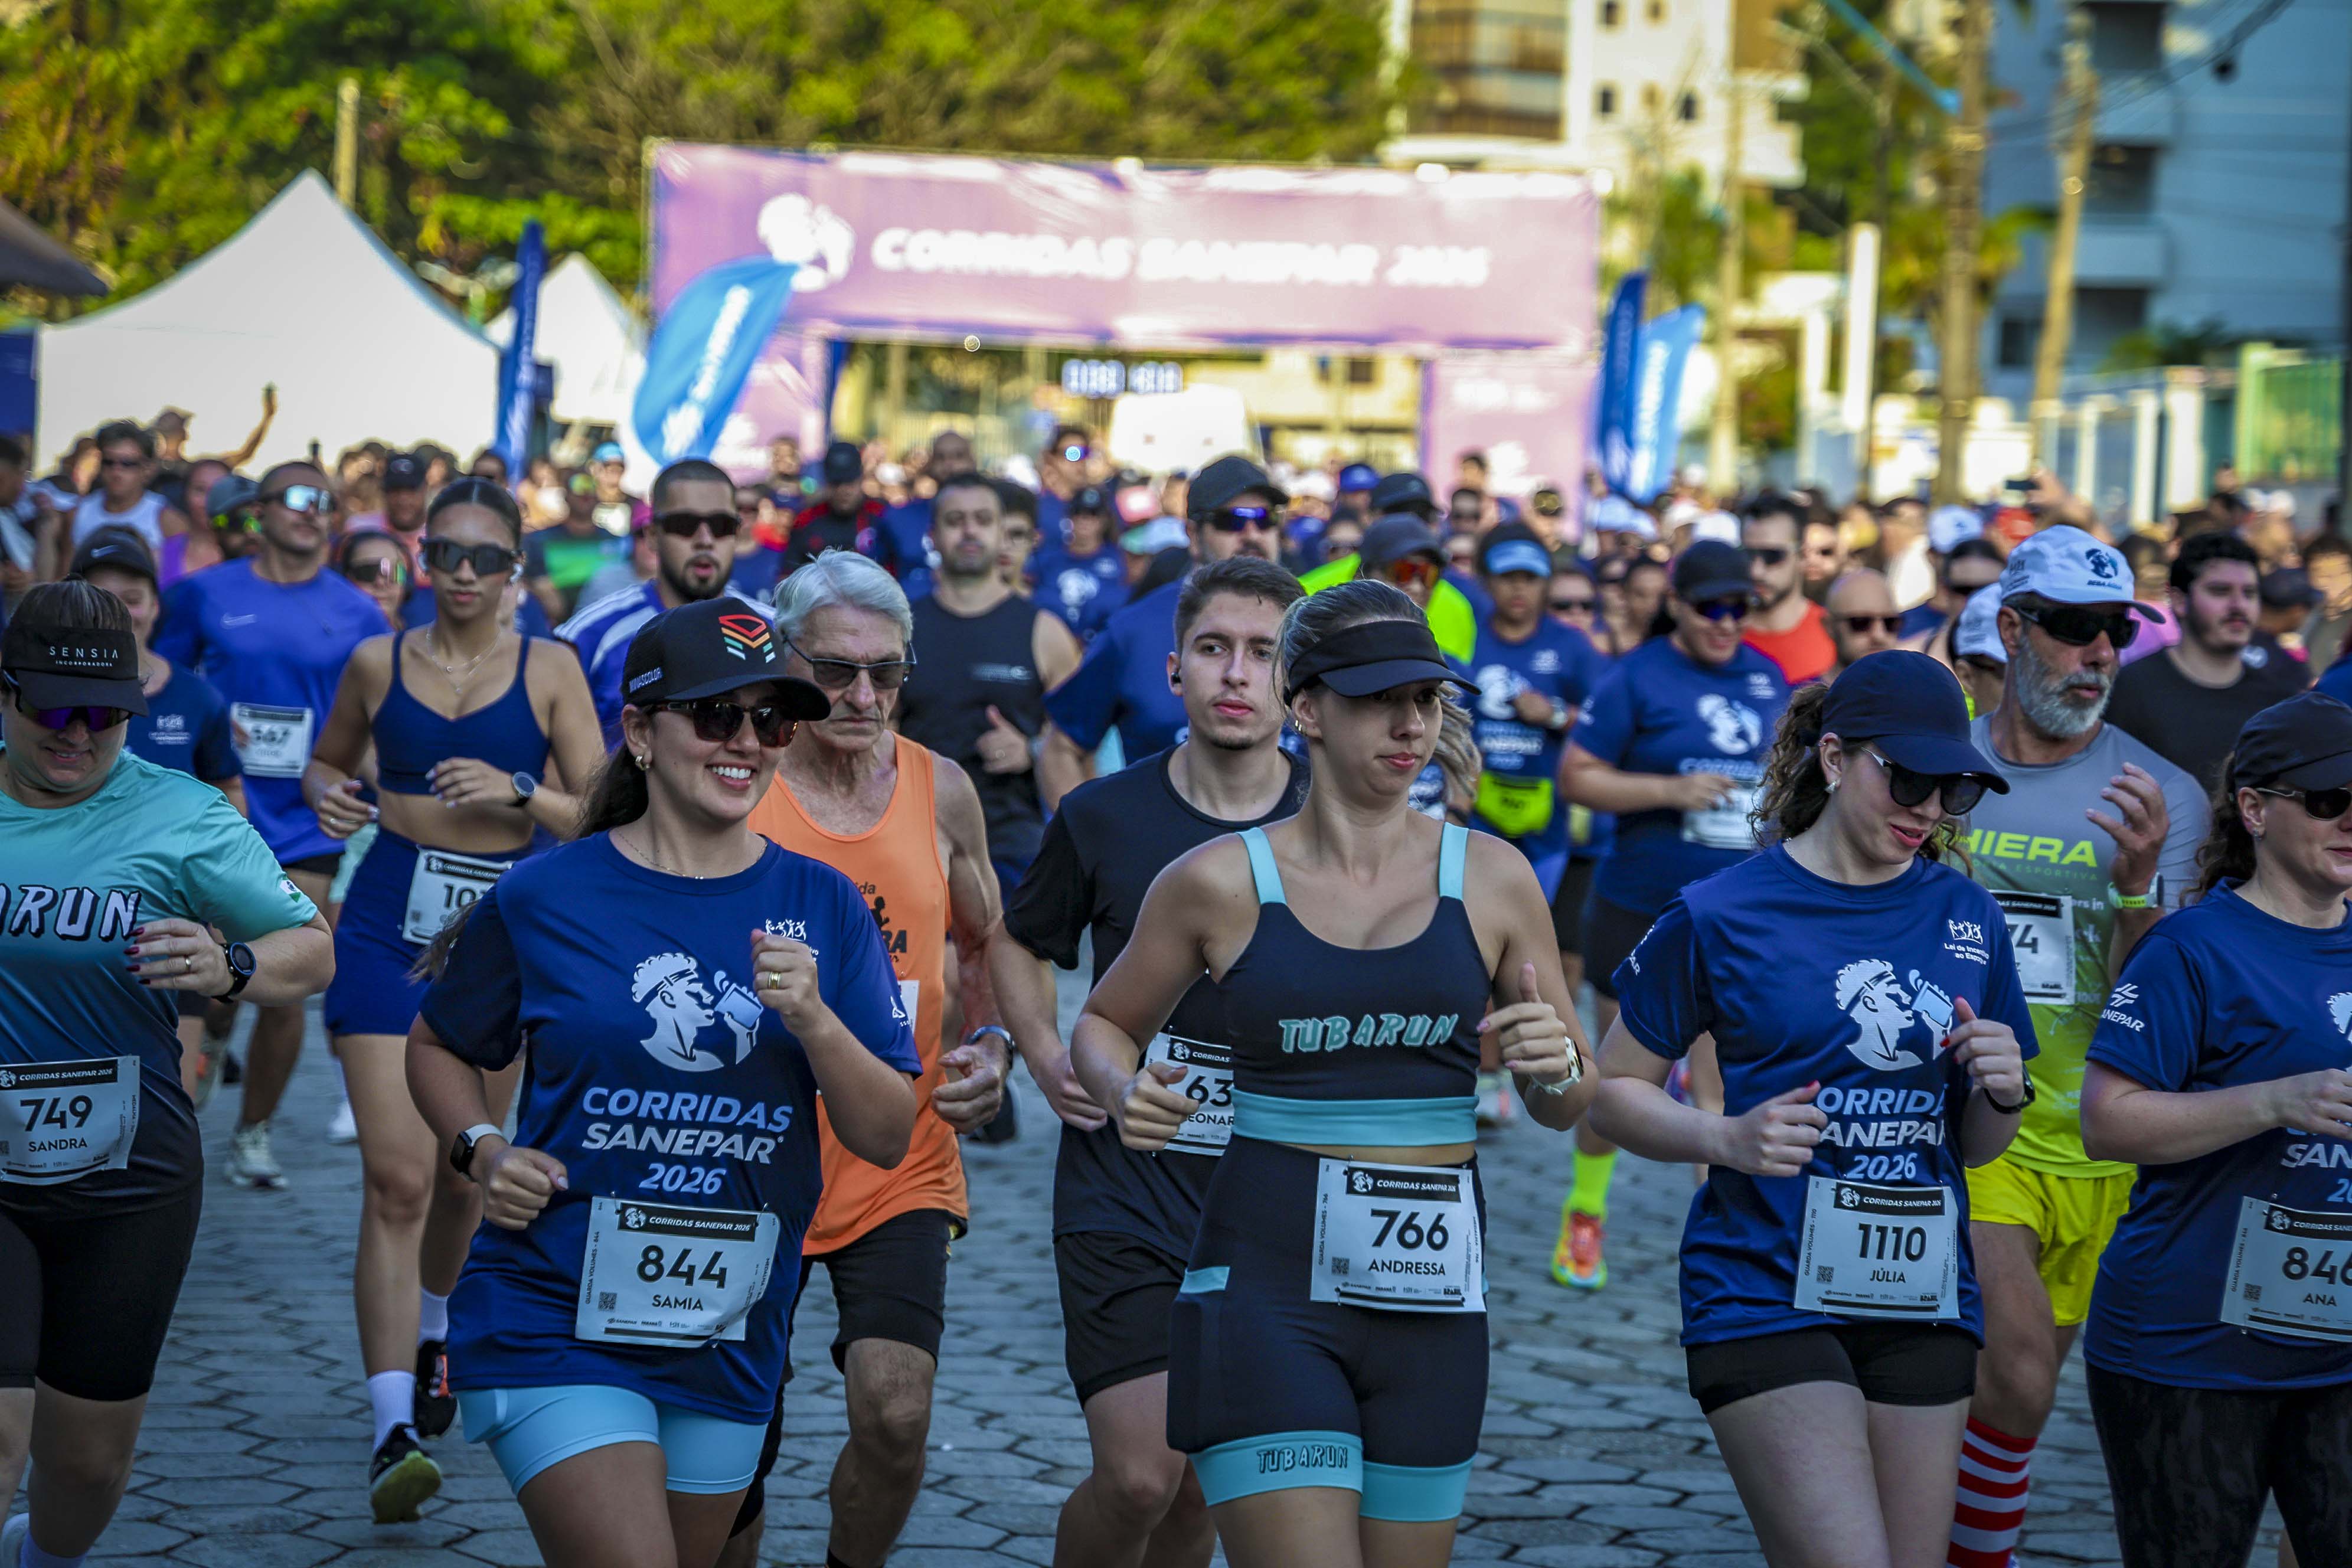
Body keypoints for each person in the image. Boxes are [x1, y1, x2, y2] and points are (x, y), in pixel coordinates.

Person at [1073, 582, 1591, 1566]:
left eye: (1426, 701)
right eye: (1376, 699)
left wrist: (1550, 1060)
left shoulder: (1491, 878)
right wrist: (1117, 1087)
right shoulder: (1219, 881)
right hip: (1263, 1294)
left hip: (1435, 1312)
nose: (1408, 724)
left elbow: (1567, 1104)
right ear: (1303, 708)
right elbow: (1103, 1022)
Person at [404, 596, 920, 1568]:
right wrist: (484, 1149)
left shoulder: (824, 904)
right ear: (640, 732)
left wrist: (812, 1019)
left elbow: (888, 1133)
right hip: (548, 1308)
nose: (747, 744)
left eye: (770, 720)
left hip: (727, 1328)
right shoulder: (546, 894)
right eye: (716, 715)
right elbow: (437, 1046)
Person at [1590, 650, 2034, 1568]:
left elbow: (1980, 1149)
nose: (1929, 809)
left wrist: (2004, 1085)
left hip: (1923, 1292)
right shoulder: (1722, 911)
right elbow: (1610, 1093)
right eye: (1907, 778)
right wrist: (1724, 1137)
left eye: (1955, 791)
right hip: (1762, 1288)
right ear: (1834, 760)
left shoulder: (1969, 917)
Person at [0, 581, 332, 1568]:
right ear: (5, 696)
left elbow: (310, 952)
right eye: (52, 707)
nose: (77, 733)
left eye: (104, 714)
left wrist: (230, 965)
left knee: (88, 1468)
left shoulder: (182, 814)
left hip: (127, 1173)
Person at [302, 476, 608, 1522]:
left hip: (499, 940)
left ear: (518, 568)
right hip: (389, 921)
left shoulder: (552, 669)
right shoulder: (377, 661)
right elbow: (324, 766)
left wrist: (521, 793)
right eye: (448, 554)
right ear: (419, 559)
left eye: (488, 558)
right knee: (394, 1176)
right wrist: (330, 796)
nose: (466, 575)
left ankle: (438, 1326)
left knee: (459, 1174)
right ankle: (391, 1427)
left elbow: (605, 818)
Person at [992, 558, 1307, 1568]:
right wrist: (1046, 1056)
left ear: (1295, 683)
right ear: (1172, 670)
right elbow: (1015, 938)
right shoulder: (1102, 815)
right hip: (1122, 1187)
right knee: (1139, 1473)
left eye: (1263, 653)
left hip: (1272, 1194)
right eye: (1213, 648)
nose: (1236, 673)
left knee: (1196, 1492)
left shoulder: (1336, 821)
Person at [715, 553, 1010, 1568]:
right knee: (737, 1446)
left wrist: (990, 1041)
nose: (863, 696)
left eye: (886, 673)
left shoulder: (942, 790)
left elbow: (985, 939)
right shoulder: (736, 784)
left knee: (894, 1415)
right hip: (742, 1154)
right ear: (786, 664)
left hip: (898, 1156)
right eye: (837, 671)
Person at [1946, 524, 2210, 1568]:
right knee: (2012, 1372)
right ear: (2009, 630)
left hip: (2097, 1142)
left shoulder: (2159, 797)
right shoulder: (1936, 767)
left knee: (2007, 1404)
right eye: (2069, 629)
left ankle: (1927, 1522)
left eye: (2112, 630)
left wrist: (2137, 887)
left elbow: (2165, 1002)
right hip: (1970, 1131)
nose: (2097, 651)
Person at [2076, 691, 2352, 1568]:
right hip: (2190, 1350)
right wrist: (2274, 1102)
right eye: (2330, 800)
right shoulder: (2191, 949)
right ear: (2256, 809)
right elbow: (2107, 1122)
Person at [1550, 539, 1791, 1289]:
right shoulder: (1637, 677)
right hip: (1638, 911)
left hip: (1737, 920)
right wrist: (1669, 792)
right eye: (1709, 608)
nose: (1726, 623)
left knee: (1717, 1088)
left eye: (1739, 608)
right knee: (1617, 1082)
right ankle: (1584, 1215)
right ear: (1676, 605)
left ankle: (1718, 1244)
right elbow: (1577, 780)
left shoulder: (1767, 676)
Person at [151, 461, 386, 1190]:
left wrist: (367, 785)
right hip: (213, 812)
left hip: (308, 818)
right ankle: (212, 1039)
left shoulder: (358, 612)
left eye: (328, 502)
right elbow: (166, 687)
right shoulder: (202, 594)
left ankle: (253, 1130)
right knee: (218, 971)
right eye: (298, 498)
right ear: (259, 511)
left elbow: (377, 717)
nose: (314, 512)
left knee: (294, 975)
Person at [1465, 523, 1609, 1125]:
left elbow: (1608, 719)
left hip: (1550, 825)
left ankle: (1540, 1072)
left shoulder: (1570, 646)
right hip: (1478, 812)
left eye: (1531, 578)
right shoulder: (1469, 635)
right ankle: (1487, 1077)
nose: (1519, 590)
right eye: (1508, 577)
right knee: (1474, 951)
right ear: (1488, 580)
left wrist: (1552, 712)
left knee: (1530, 959)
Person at [893, 473, 1086, 896]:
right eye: (955, 520)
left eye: (982, 519)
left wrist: (1034, 749)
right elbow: (876, 733)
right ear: (933, 536)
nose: (969, 530)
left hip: (1013, 846)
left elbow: (1082, 749)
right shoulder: (900, 628)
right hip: (915, 838)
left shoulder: (1045, 632)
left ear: (1003, 534)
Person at [1046, 455, 1291, 765]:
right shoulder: (1133, 630)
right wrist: (1086, 814)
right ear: (1193, 536)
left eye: (1266, 519)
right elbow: (1062, 748)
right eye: (1233, 521)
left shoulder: (1313, 623)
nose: (1252, 535)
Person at [557, 460, 769, 750]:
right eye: (684, 525)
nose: (705, 541)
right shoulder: (589, 636)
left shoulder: (775, 630)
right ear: (653, 536)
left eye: (721, 526)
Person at [2103, 531, 2310, 795]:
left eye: (2249, 593)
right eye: (2220, 591)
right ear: (2179, 600)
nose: (2238, 606)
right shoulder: (2129, 689)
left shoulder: (2279, 704)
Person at [1741, 495, 1836, 685]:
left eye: (1773, 556)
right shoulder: (1718, 636)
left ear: (1802, 556)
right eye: (1748, 555)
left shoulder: (1834, 634)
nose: (1756, 571)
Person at [522, 471, 630, 623]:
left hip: (606, 624)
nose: (585, 494)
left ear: (598, 498)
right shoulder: (538, 541)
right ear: (565, 497)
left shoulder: (616, 542)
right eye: (578, 489)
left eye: (590, 489)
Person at [1032, 482, 1129, 644]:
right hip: (1050, 641)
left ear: (1104, 520)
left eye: (1093, 514)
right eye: (1079, 513)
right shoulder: (1048, 559)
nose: (1085, 520)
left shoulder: (1120, 561)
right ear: (1069, 517)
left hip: (1099, 645)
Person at [68, 422, 184, 556]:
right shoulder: (77, 515)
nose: (116, 472)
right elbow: (66, 572)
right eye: (109, 462)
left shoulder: (167, 521)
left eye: (127, 464)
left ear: (148, 469)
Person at [782, 440, 882, 574]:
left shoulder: (882, 516)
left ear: (861, 479)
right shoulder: (806, 520)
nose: (843, 490)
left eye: (850, 482)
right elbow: (789, 575)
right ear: (826, 482)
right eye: (836, 483)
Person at [1825, 569, 1905, 678]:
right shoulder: (1799, 694)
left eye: (1890, 623)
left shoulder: (1919, 692)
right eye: (1861, 623)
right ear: (1829, 627)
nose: (1879, 635)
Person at [338, 530, 412, 630]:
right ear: (346, 579)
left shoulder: (427, 630)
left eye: (393, 572)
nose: (380, 583)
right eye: (367, 572)